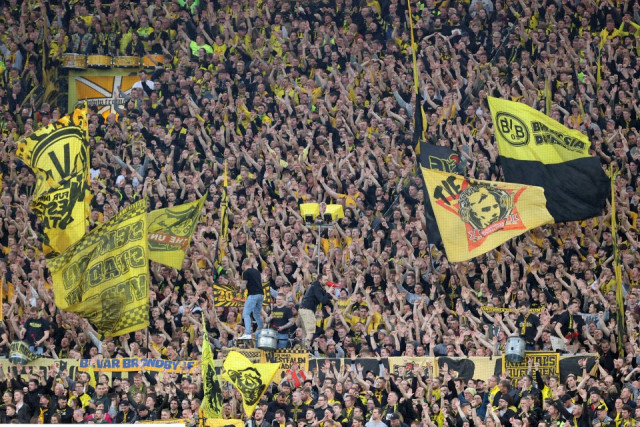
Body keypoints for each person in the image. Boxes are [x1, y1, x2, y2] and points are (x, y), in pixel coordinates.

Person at [239, 258, 265, 340]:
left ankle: (248, 333)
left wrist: (241, 291)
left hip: (253, 294)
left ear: (244, 265)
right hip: (261, 295)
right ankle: (262, 329)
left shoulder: (246, 272)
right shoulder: (257, 271)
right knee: (256, 314)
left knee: (246, 313)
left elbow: (243, 285)